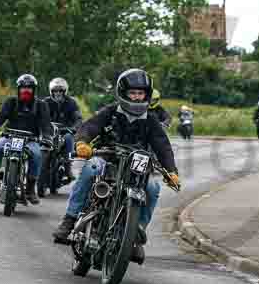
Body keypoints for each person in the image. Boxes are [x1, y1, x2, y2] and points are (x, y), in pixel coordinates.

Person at [52, 68, 181, 263]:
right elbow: (90, 126)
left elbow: (163, 146)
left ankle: (135, 237)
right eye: (133, 93)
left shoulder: (151, 120)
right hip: (107, 157)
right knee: (91, 168)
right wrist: (82, 143)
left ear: (147, 95)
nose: (137, 98)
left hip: (136, 166)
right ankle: (69, 220)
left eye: (141, 94)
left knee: (153, 187)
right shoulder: (110, 111)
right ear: (123, 93)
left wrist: (172, 171)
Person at [0, 74, 53, 203]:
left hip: (31, 139)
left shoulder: (41, 105)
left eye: (29, 88)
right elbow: (0, 117)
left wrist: (47, 137)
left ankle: (31, 189)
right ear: (18, 89)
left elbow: (46, 124)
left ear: (34, 89)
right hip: (9, 136)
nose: (26, 90)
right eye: (23, 88)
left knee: (37, 155)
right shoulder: (11, 102)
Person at [42, 77, 83, 182]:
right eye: (55, 91)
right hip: (49, 132)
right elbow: (37, 116)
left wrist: (74, 128)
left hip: (65, 132)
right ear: (51, 91)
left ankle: (68, 167)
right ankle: (36, 168)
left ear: (65, 91)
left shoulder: (71, 103)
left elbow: (78, 118)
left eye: (60, 90)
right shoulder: (45, 102)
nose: (58, 93)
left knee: (69, 138)